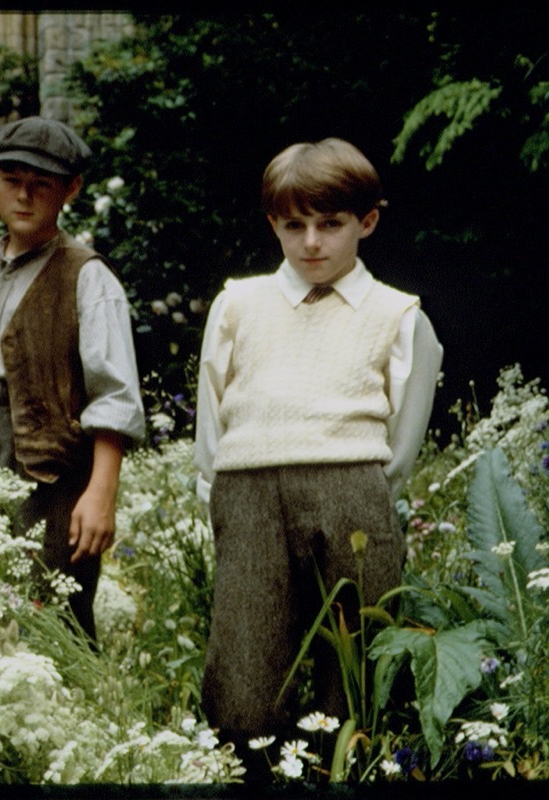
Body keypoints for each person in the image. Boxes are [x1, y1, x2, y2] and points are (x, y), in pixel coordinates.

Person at [193, 137, 443, 778]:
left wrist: (365, 494)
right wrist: (219, 495)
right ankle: (250, 772)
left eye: (330, 224)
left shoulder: (398, 316)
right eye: (293, 225)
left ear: (367, 221)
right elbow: (212, 417)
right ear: (273, 222)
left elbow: (402, 440)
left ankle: (349, 774)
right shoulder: (238, 304)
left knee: (356, 678)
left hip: (353, 494)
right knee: (244, 684)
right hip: (249, 495)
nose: (311, 243)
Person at [0, 116, 145, 642]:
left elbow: (115, 397)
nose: (25, 195)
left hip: (52, 474)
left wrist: (101, 493)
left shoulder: (87, 276)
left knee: (52, 622)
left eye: (41, 184)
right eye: (14, 179)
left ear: (71, 189)